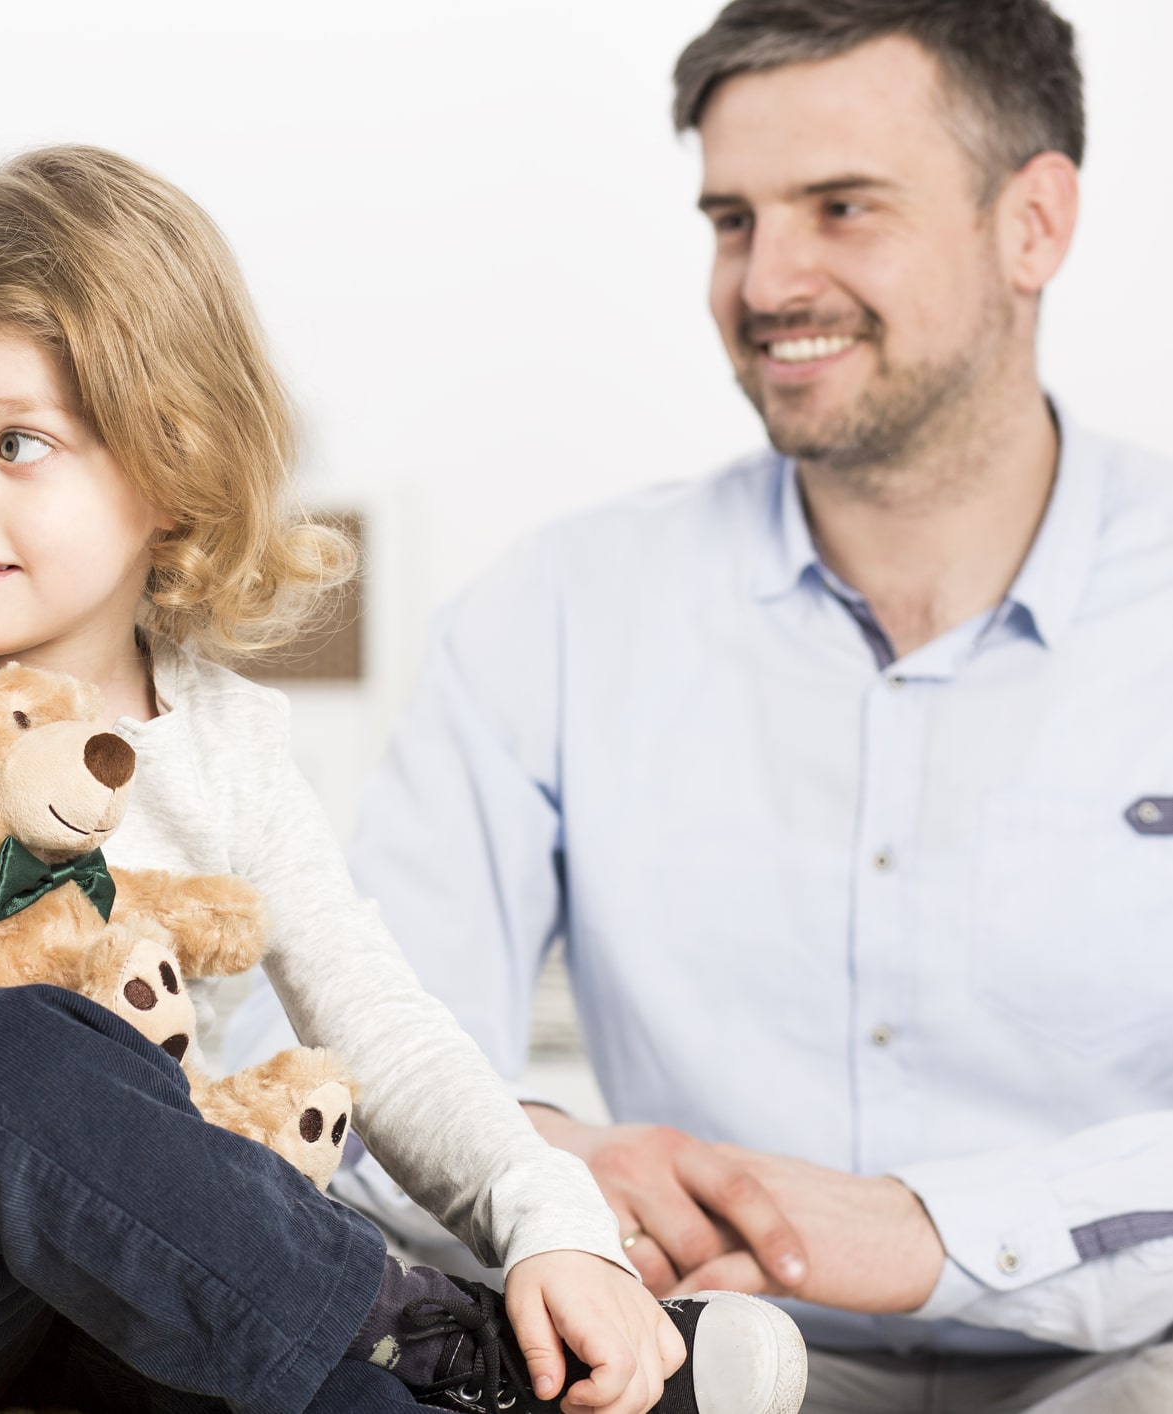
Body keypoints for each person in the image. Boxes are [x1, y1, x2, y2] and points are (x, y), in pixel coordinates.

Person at [0, 145, 810, 1414]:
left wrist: (560, 1225)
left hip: (92, 1286)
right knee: (4, 1047)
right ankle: (433, 1321)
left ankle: (486, 1367)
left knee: (298, 1371)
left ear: (169, 476)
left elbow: (376, 1019)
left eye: (16, 443)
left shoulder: (232, 741)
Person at [349, 2, 1173, 1411]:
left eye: (841, 208)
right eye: (733, 220)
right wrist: (534, 1156)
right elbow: (315, 1061)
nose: (767, 278)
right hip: (704, 1365)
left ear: (1032, 223)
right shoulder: (555, 610)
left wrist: (932, 1229)